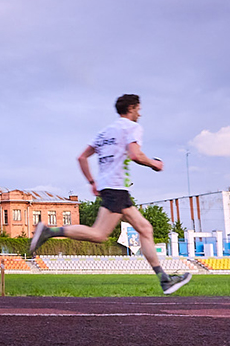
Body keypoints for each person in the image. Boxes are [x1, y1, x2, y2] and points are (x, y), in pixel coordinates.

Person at [29, 94, 191, 295]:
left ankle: (164, 279)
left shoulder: (104, 132)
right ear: (131, 108)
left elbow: (82, 157)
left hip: (110, 187)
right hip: (117, 188)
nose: (140, 113)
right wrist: (154, 164)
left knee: (145, 228)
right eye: (138, 109)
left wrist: (92, 182)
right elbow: (135, 154)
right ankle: (49, 232)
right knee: (99, 234)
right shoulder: (131, 127)